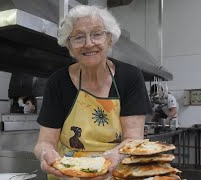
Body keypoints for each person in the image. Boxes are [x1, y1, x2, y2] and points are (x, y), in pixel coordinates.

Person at [33, 5, 152, 180]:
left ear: (109, 39)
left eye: (97, 34)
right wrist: (46, 153)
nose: (89, 43)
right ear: (69, 46)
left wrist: (113, 158)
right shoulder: (57, 82)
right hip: (68, 173)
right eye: (79, 37)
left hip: (116, 171)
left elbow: (133, 138)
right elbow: (45, 141)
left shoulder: (130, 77)